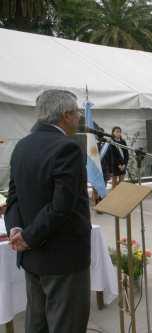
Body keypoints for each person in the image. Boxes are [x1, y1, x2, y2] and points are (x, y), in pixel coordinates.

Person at [5, 90, 91, 332]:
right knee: (67, 325)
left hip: (31, 258)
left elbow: (13, 198)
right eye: (77, 114)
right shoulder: (67, 148)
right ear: (65, 115)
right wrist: (28, 238)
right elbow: (61, 207)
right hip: (62, 259)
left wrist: (17, 231)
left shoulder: (22, 145)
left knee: (37, 324)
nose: (79, 119)